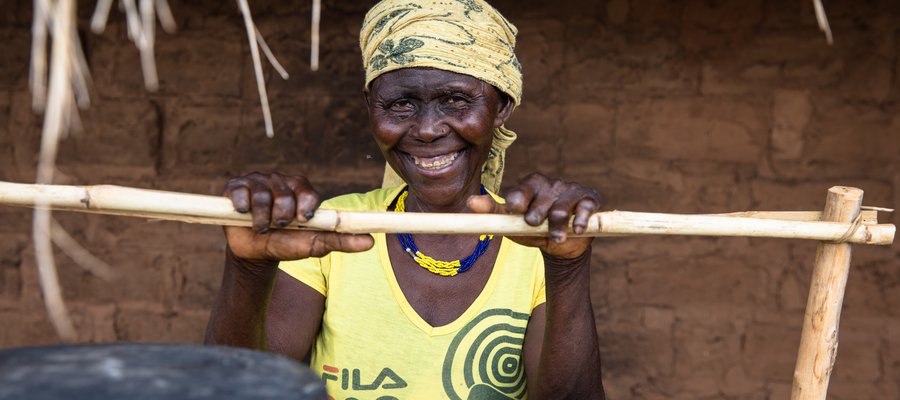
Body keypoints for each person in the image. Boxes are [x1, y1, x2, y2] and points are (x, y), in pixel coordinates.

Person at [205, 0, 606, 398]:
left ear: (501, 106)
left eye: (456, 100)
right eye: (401, 104)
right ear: (370, 107)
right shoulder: (329, 231)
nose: (428, 130)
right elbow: (241, 390)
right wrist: (249, 269)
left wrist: (567, 267)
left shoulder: (536, 243)